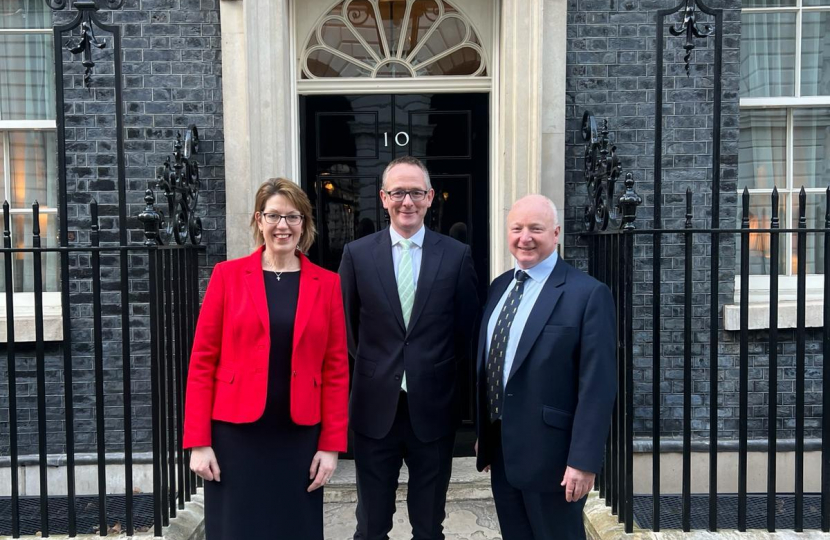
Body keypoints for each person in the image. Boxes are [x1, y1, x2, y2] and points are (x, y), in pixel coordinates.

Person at [183, 178, 349, 540]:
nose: (282, 226)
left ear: (304, 223)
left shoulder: (327, 283)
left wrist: (330, 445)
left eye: (293, 216)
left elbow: (335, 369)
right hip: (235, 438)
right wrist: (199, 442)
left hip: (299, 438)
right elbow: (202, 362)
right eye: (273, 215)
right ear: (259, 220)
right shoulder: (227, 277)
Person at [339, 156, 479, 540]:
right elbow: (348, 328)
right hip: (374, 409)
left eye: (416, 192)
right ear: (383, 198)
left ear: (430, 197)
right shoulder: (357, 255)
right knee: (370, 524)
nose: (407, 202)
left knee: (430, 524)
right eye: (398, 192)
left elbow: (466, 332)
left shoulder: (456, 255)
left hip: (433, 410)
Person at [474, 195, 616, 540]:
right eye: (517, 228)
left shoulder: (587, 294)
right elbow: (494, 365)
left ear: (555, 233)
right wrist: (487, 435)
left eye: (535, 229)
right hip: (504, 453)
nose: (525, 238)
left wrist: (583, 461)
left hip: (555, 459)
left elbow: (597, 385)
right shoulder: (499, 287)